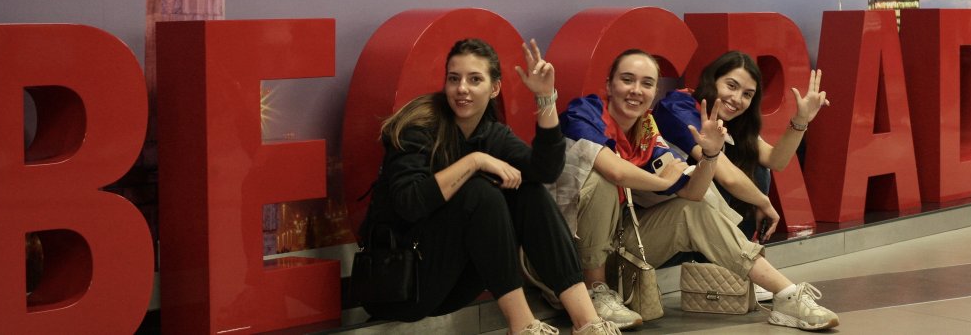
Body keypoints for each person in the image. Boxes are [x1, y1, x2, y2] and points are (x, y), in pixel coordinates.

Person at [550, 49, 838, 331]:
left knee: (693, 208)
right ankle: (596, 289)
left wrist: (711, 155)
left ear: (654, 91)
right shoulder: (585, 112)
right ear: (609, 85)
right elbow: (614, 170)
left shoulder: (646, 129)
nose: (636, 90)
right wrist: (667, 182)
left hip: (620, 243)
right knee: (602, 179)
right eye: (627, 80)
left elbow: (694, 193)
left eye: (647, 83)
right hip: (566, 258)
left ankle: (787, 295)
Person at [358, 38, 622, 335]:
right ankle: (523, 327)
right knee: (479, 193)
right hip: (399, 285)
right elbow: (410, 203)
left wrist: (545, 98)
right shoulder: (419, 126)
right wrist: (474, 162)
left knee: (529, 191)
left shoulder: (489, 132)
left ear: (494, 88)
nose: (462, 88)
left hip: (455, 283)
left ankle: (587, 322)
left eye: (475, 79)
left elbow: (546, 171)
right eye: (454, 79)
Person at [653, 51, 829, 241]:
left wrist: (801, 120)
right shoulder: (678, 107)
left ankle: (742, 245)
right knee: (716, 173)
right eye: (731, 86)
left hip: (707, 221)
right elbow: (726, 176)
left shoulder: (734, 120)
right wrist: (764, 202)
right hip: (666, 220)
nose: (737, 99)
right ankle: (739, 251)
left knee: (756, 165)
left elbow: (775, 160)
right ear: (712, 80)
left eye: (747, 94)